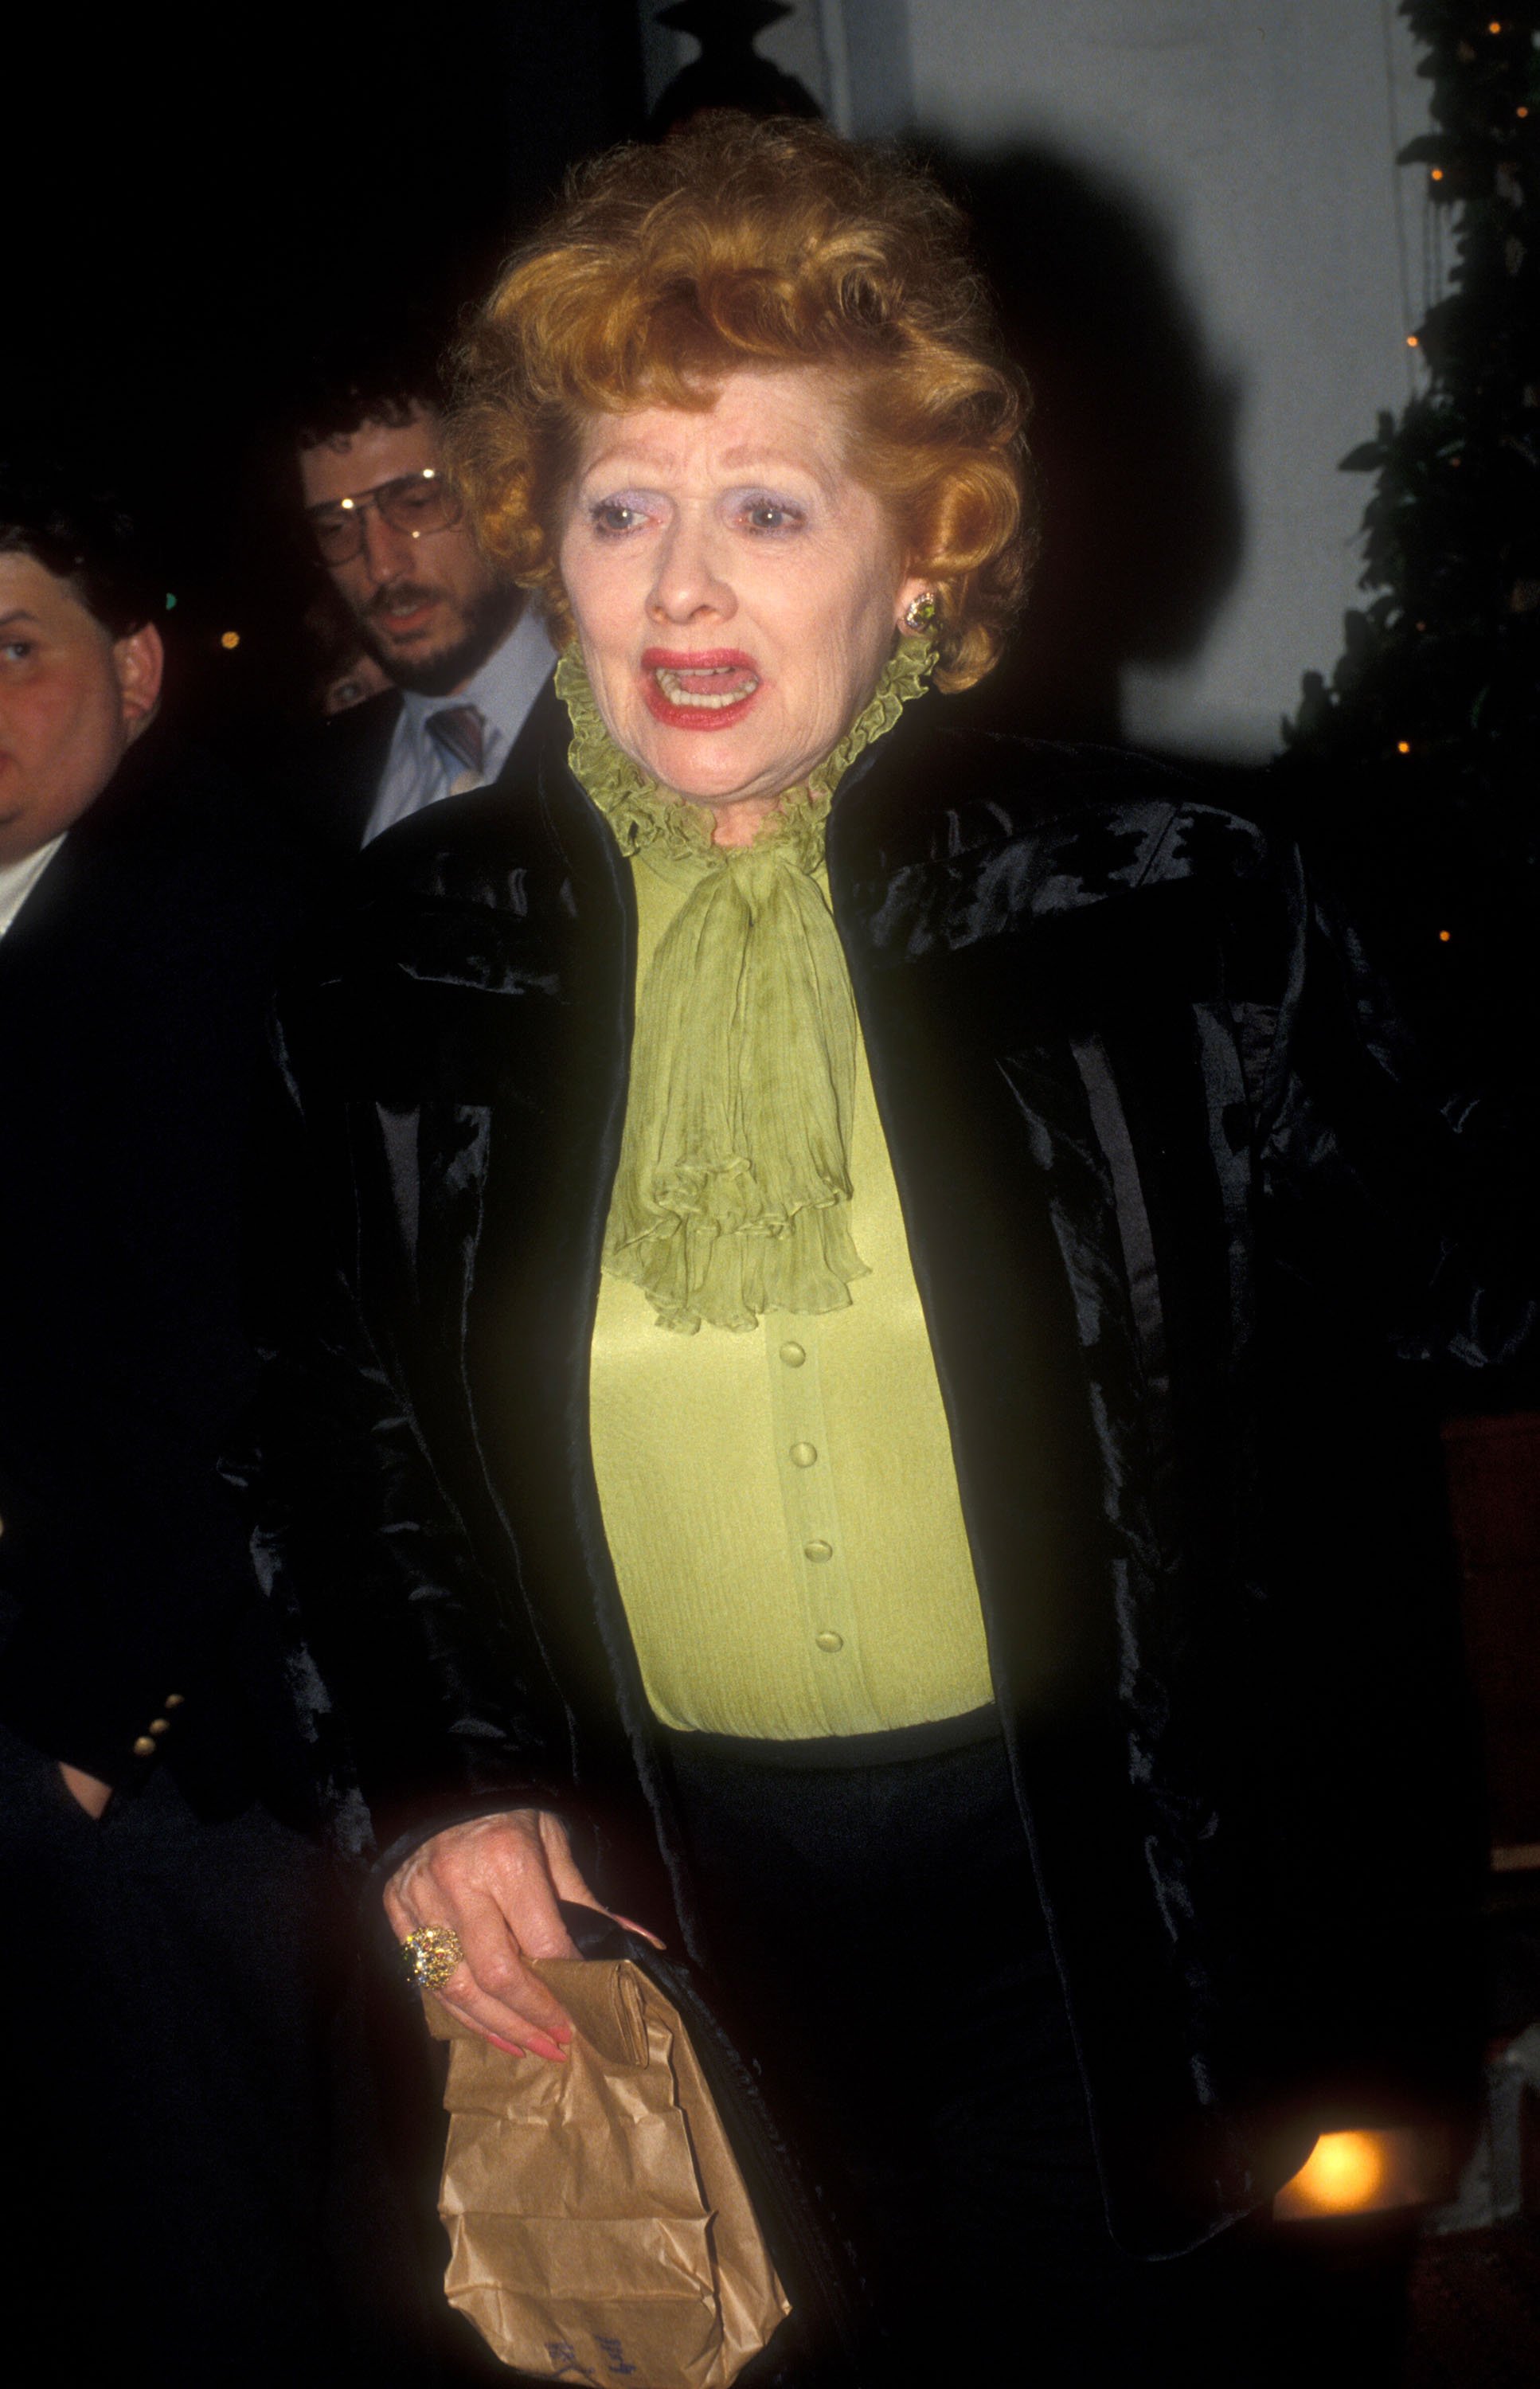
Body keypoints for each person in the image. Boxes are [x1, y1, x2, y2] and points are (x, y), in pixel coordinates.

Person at [251, 115, 1519, 2385]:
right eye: (621, 509)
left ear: (920, 558)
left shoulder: (1167, 901)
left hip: (1126, 1880)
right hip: (664, 1897)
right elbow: (339, 1427)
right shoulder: (405, 963)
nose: (678, 589)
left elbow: (1472, 1272)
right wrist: (442, 1786)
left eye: (763, 507)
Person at [0, 470, 429, 2387]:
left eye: (13, 650)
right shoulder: (40, 907)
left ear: (141, 667)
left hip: (165, 1761)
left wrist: (82, 1752)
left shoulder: (206, 918)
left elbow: (226, 1378)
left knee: (214, 2283)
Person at [290, 359, 557, 849]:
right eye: (335, 528)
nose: (382, 566)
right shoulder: (305, 795)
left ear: (499, 490)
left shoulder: (634, 721)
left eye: (416, 502)